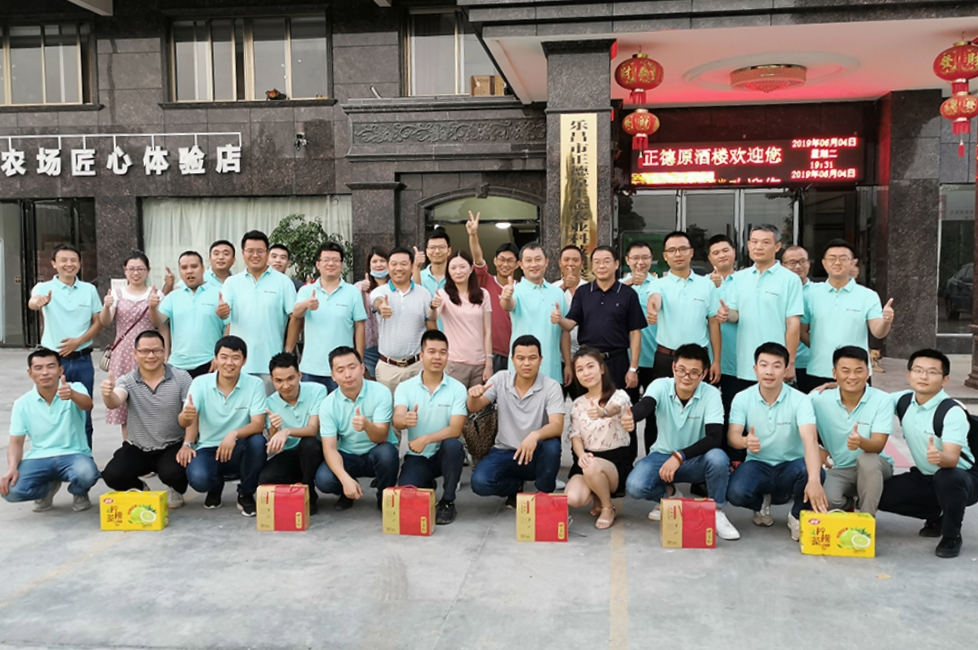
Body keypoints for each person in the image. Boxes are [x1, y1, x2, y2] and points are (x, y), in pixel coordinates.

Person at [623, 344, 740, 540]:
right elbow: (646, 405)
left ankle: (716, 510)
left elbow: (714, 437)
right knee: (636, 485)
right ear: (673, 367)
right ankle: (669, 496)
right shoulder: (661, 385)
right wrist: (631, 416)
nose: (686, 377)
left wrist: (680, 456)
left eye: (694, 372)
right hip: (662, 456)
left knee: (718, 457)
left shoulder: (710, 394)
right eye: (681, 370)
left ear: (703, 374)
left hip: (696, 459)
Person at [878, 349, 978, 558]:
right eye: (918, 370)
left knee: (947, 478)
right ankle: (938, 512)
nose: (923, 377)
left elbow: (952, 460)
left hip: (964, 478)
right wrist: (837, 388)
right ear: (909, 374)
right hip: (926, 477)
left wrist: (940, 457)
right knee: (878, 494)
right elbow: (870, 398)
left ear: (945, 379)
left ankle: (951, 536)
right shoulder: (903, 400)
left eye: (932, 372)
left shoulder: (952, 411)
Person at [725, 343, 828, 541]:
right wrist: (745, 441)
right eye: (764, 365)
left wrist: (815, 480)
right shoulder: (742, 398)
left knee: (814, 473)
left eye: (777, 365)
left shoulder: (800, 400)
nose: (769, 372)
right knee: (736, 492)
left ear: (786, 370)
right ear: (755, 369)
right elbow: (732, 436)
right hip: (757, 464)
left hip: (791, 465)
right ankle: (761, 502)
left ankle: (796, 516)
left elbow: (810, 439)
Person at [468, 335, 565, 508]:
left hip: (535, 453)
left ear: (540, 360)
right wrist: (473, 396)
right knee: (480, 482)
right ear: (512, 360)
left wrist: (534, 436)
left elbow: (557, 426)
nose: (526, 363)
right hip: (505, 451)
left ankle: (544, 494)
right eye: (520, 358)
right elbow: (474, 407)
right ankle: (514, 487)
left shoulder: (551, 386)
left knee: (552, 446)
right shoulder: (500, 379)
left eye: (532, 358)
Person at [99, 330, 192, 508]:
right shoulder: (127, 380)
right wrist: (108, 394)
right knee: (112, 475)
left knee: (173, 473)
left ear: (164, 352)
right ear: (135, 353)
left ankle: (175, 488)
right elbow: (115, 401)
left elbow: (191, 414)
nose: (151, 356)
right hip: (139, 447)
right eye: (145, 351)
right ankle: (140, 488)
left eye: (156, 350)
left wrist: (187, 444)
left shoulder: (181, 378)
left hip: (172, 444)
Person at [178, 336, 267, 516]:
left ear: (244, 360)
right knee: (199, 478)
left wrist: (233, 434)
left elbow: (258, 424)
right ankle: (215, 486)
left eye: (236, 357)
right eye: (224, 357)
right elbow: (187, 420)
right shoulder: (200, 383)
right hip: (208, 446)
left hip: (238, 445)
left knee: (258, 442)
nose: (229, 363)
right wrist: (187, 441)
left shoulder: (255, 384)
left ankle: (246, 493)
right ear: (216, 359)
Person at [1, 349, 99, 512]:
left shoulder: (75, 388)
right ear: (30, 373)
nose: (45, 372)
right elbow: (16, 442)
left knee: (87, 474)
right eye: (38, 368)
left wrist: (72, 395)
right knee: (11, 491)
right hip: (39, 456)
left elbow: (87, 405)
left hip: (73, 453)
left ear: (61, 370)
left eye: (51, 366)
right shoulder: (22, 403)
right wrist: (12, 468)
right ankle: (47, 489)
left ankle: (79, 492)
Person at [28, 244, 102, 449]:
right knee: (51, 410)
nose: (69, 264)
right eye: (63, 260)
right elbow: (33, 302)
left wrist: (79, 341)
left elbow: (98, 322)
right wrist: (39, 302)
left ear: (79, 264)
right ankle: (52, 452)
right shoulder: (43, 288)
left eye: (73, 260)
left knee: (84, 411)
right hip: (53, 361)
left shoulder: (89, 290)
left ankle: (84, 454)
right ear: (54, 264)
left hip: (82, 359)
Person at [393, 330, 467, 525]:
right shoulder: (405, 387)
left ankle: (448, 501)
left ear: (448, 356)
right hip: (417, 455)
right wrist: (405, 419)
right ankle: (426, 482)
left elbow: (456, 429)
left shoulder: (458, 389)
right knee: (407, 495)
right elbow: (397, 419)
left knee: (453, 445)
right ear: (421, 356)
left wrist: (426, 439)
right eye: (432, 352)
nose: (437, 357)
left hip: (444, 454)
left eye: (442, 352)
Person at [800, 239, 894, 392]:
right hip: (819, 370)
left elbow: (878, 331)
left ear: (853, 263)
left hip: (856, 372)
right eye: (832, 258)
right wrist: (819, 344)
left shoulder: (867, 296)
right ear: (824, 263)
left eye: (843, 258)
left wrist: (886, 321)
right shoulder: (810, 296)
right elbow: (801, 331)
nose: (837, 263)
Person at [810, 346, 894, 515]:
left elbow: (877, 445)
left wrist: (860, 442)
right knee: (826, 503)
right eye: (845, 371)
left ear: (868, 373)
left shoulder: (882, 400)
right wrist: (816, 449)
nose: (852, 376)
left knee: (867, 459)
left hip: (876, 465)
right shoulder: (817, 399)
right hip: (840, 468)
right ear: (834, 373)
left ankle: (866, 520)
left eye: (858, 371)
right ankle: (850, 502)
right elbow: (792, 420)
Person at [314, 346, 398, 511]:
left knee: (387, 453)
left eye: (352, 367)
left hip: (375, 452)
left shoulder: (381, 392)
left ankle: (384, 496)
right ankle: (347, 491)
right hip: (347, 455)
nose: (347, 374)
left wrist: (367, 425)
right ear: (333, 376)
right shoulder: (327, 404)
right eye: (340, 370)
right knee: (324, 480)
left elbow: (381, 437)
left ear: (362, 368)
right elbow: (330, 448)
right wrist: (345, 479)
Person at [724, 224, 804, 388]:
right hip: (746, 364)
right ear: (748, 245)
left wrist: (790, 362)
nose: (758, 247)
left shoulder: (790, 280)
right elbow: (735, 315)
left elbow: (793, 324)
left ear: (777, 246)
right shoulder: (738, 278)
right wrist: (725, 313)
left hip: (776, 365)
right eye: (754, 242)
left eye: (765, 242)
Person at [558, 246, 646, 393]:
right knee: (588, 405)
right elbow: (570, 324)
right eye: (597, 262)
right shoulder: (583, 292)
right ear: (592, 266)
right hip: (588, 360)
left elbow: (635, 333)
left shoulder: (628, 294)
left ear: (616, 264)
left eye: (606, 261)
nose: (601, 266)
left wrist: (633, 368)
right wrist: (559, 319)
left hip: (617, 360)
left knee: (618, 404)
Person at [218, 230, 297, 394]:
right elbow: (226, 317)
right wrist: (221, 312)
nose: (255, 255)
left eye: (260, 251)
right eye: (250, 251)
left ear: (267, 253)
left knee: (271, 407)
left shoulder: (283, 282)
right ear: (243, 253)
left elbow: (295, 317)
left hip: (272, 363)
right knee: (240, 407)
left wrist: (288, 351)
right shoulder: (231, 283)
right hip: (239, 363)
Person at [564, 348, 634, 530]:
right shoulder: (578, 403)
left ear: (602, 369)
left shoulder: (619, 396)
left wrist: (603, 412)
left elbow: (616, 408)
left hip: (614, 462)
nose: (586, 373)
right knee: (573, 498)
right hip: (588, 458)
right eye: (580, 369)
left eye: (590, 366)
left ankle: (607, 507)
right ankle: (597, 493)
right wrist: (581, 455)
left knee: (592, 466)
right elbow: (576, 436)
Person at [646, 232, 724, 384]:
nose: (678, 254)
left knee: (700, 398)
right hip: (666, 358)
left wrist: (716, 361)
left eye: (682, 249)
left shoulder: (707, 285)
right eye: (672, 250)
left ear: (691, 252)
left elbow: (714, 323)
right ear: (665, 256)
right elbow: (655, 299)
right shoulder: (658, 284)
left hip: (699, 358)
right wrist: (653, 308)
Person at [289, 242, 366, 393]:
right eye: (326, 260)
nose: (331, 264)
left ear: (342, 265)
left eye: (335, 260)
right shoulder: (306, 291)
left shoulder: (352, 292)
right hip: (311, 368)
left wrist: (359, 360)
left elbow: (360, 327)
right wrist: (306, 304)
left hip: (344, 369)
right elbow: (296, 313)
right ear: (318, 264)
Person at [259, 352, 328, 515]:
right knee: (265, 478)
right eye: (279, 381)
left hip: (317, 451)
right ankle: (299, 484)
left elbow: (313, 429)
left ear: (300, 375)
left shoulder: (317, 390)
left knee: (308, 444)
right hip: (291, 453)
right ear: (272, 380)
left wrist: (287, 431)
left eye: (290, 378)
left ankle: (308, 493)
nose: (285, 385)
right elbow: (275, 445)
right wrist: (275, 428)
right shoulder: (269, 402)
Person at [99, 252, 157, 438]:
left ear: (148, 271)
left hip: (149, 354)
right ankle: (128, 445)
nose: (136, 273)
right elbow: (105, 321)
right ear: (125, 271)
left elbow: (160, 324)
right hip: (123, 354)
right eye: (131, 269)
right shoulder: (117, 294)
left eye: (140, 269)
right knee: (124, 402)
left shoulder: (155, 294)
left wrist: (154, 306)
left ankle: (150, 445)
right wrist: (106, 306)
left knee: (150, 399)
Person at [499, 243, 569, 386]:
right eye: (528, 260)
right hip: (521, 372)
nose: (533, 264)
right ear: (520, 264)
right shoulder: (515, 290)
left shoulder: (557, 293)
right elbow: (508, 305)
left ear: (546, 262)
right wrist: (506, 297)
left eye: (538, 259)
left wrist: (568, 364)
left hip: (551, 370)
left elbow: (565, 331)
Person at [151, 251, 227, 379]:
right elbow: (158, 322)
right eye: (184, 268)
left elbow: (228, 327)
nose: (189, 271)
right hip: (177, 365)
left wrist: (221, 356)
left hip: (209, 363)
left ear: (203, 268)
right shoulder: (173, 297)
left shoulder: (219, 293)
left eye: (194, 266)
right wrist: (152, 308)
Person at [370, 247, 432, 395]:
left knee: (418, 407)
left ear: (412, 266)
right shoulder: (380, 291)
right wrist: (382, 307)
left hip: (417, 366)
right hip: (388, 368)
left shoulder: (424, 294)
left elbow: (430, 326)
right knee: (388, 408)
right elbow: (377, 301)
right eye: (394, 264)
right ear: (388, 267)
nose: (398, 268)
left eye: (403, 264)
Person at [428, 250, 492, 388]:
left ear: (471, 269)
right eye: (453, 268)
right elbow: (433, 316)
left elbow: (487, 331)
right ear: (448, 271)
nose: (458, 271)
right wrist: (433, 306)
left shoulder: (483, 295)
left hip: (480, 363)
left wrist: (489, 363)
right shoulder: (443, 295)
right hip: (454, 363)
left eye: (462, 267)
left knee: (478, 401)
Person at [468, 211, 519, 374]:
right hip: (491, 352)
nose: (505, 264)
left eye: (510, 261)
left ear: (517, 264)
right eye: (502, 260)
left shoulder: (523, 287)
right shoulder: (485, 281)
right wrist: (473, 235)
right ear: (495, 261)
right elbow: (477, 259)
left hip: (517, 353)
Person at [621, 241, 658, 399]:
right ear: (627, 260)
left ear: (651, 259)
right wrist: (628, 284)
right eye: (635, 258)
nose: (640, 262)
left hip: (654, 358)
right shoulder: (618, 287)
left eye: (645, 257)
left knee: (654, 406)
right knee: (627, 406)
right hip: (626, 359)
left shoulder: (660, 286)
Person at [707, 234, 738, 420]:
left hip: (735, 361)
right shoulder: (703, 283)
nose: (722, 255)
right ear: (710, 258)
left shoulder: (745, 281)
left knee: (733, 413)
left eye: (726, 250)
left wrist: (729, 315)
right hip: (707, 360)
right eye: (716, 252)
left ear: (734, 252)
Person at [780, 246, 814, 390]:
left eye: (802, 261)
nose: (798, 267)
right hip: (780, 361)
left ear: (809, 263)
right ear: (783, 266)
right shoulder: (777, 291)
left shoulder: (818, 291)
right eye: (792, 263)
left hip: (810, 363)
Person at [354, 246, 389, 379]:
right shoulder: (359, 286)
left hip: (390, 345)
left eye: (382, 261)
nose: (379, 265)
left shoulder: (395, 286)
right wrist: (363, 293)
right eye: (374, 261)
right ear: (369, 265)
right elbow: (359, 314)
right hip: (369, 345)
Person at [553, 245, 588, 359]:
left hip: (586, 351)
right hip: (558, 352)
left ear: (582, 264)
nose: (571, 264)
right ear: (560, 263)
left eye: (575, 260)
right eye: (566, 259)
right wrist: (564, 286)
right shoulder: (552, 288)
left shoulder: (589, 288)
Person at [165, 239, 236, 294]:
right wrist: (169, 285)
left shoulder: (236, 281)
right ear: (210, 259)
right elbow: (172, 292)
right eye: (216, 254)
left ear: (233, 260)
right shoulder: (199, 276)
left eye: (226, 254)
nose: (220, 257)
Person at [420, 230, 451, 301]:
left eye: (441, 247)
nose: (437, 251)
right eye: (432, 247)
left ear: (449, 251)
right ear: (427, 251)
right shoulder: (419, 276)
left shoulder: (456, 275)